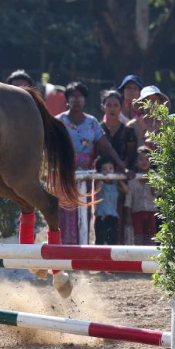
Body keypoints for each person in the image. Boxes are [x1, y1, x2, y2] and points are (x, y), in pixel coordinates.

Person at [56, 81, 128, 245]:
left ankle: (82, 250)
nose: (77, 100)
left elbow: (106, 146)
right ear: (67, 99)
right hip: (64, 172)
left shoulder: (92, 122)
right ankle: (63, 251)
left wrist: (122, 166)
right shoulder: (59, 122)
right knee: (65, 211)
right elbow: (51, 146)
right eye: (73, 96)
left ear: (85, 100)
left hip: (86, 174)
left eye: (80, 96)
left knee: (84, 210)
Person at [124, 147, 158, 245]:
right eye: (141, 159)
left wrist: (152, 183)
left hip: (151, 213)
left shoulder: (155, 178)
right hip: (136, 213)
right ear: (136, 162)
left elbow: (156, 194)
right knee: (138, 238)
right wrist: (128, 216)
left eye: (147, 159)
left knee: (151, 238)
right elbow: (128, 199)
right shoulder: (132, 181)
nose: (144, 162)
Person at [93, 157, 126, 245]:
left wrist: (118, 178)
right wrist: (101, 177)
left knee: (113, 241)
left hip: (113, 217)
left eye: (110, 169)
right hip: (101, 217)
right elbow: (97, 189)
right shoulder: (100, 183)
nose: (108, 171)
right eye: (104, 169)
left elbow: (125, 190)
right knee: (100, 241)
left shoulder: (115, 184)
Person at [100, 90, 137, 168]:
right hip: (100, 174)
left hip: (122, 175)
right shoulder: (97, 129)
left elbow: (130, 156)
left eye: (116, 105)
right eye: (109, 105)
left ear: (121, 107)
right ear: (103, 107)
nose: (112, 109)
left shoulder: (128, 132)